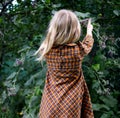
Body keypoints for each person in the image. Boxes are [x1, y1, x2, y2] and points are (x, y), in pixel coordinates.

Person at [35, 9, 94, 118]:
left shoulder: (47, 49)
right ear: (75, 31)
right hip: (71, 103)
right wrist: (89, 31)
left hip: (51, 100)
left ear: (54, 29)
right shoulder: (77, 51)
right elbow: (87, 45)